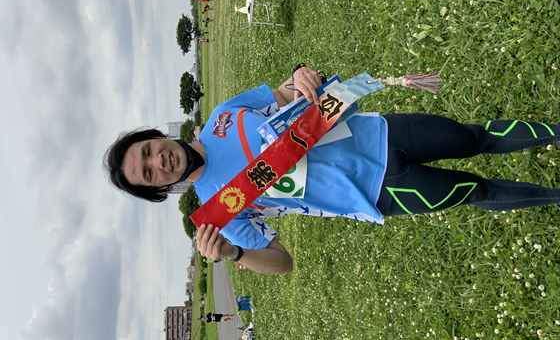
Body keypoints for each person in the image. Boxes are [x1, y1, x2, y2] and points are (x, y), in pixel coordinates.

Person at [104, 64, 560, 275]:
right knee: (477, 191)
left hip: (383, 133)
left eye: (148, 150)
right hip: (376, 193)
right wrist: (233, 254)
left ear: (155, 137)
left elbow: (287, 92)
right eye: (149, 173)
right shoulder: (219, 211)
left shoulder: (224, 115)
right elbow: (282, 262)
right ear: (159, 189)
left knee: (475, 137)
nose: (158, 161)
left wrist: (302, 75)